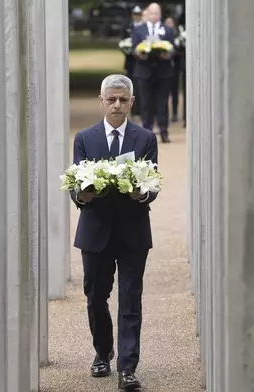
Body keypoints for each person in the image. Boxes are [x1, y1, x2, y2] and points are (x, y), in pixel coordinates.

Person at [71, 74, 159, 391]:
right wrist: (82, 195)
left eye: (123, 99)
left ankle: (128, 367)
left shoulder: (145, 138)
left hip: (133, 230)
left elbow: (153, 185)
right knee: (95, 297)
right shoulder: (85, 138)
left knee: (130, 300)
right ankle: (102, 351)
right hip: (94, 231)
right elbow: (76, 187)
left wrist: (142, 194)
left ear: (131, 102)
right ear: (102, 101)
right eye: (112, 99)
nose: (117, 104)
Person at [131, 2, 176, 143]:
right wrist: (139, 54)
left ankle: (164, 131)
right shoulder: (139, 30)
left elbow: (173, 48)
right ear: (147, 14)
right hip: (144, 71)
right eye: (151, 13)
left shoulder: (167, 30)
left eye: (157, 13)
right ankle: (146, 133)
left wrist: (168, 54)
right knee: (145, 103)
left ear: (160, 15)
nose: (154, 16)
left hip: (163, 72)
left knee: (162, 103)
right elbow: (133, 48)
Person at [123, 5, 144, 118]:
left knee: (141, 87)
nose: (137, 16)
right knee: (130, 87)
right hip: (131, 62)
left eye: (139, 14)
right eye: (135, 14)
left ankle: (141, 111)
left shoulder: (144, 27)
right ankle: (133, 111)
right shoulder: (128, 26)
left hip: (142, 62)